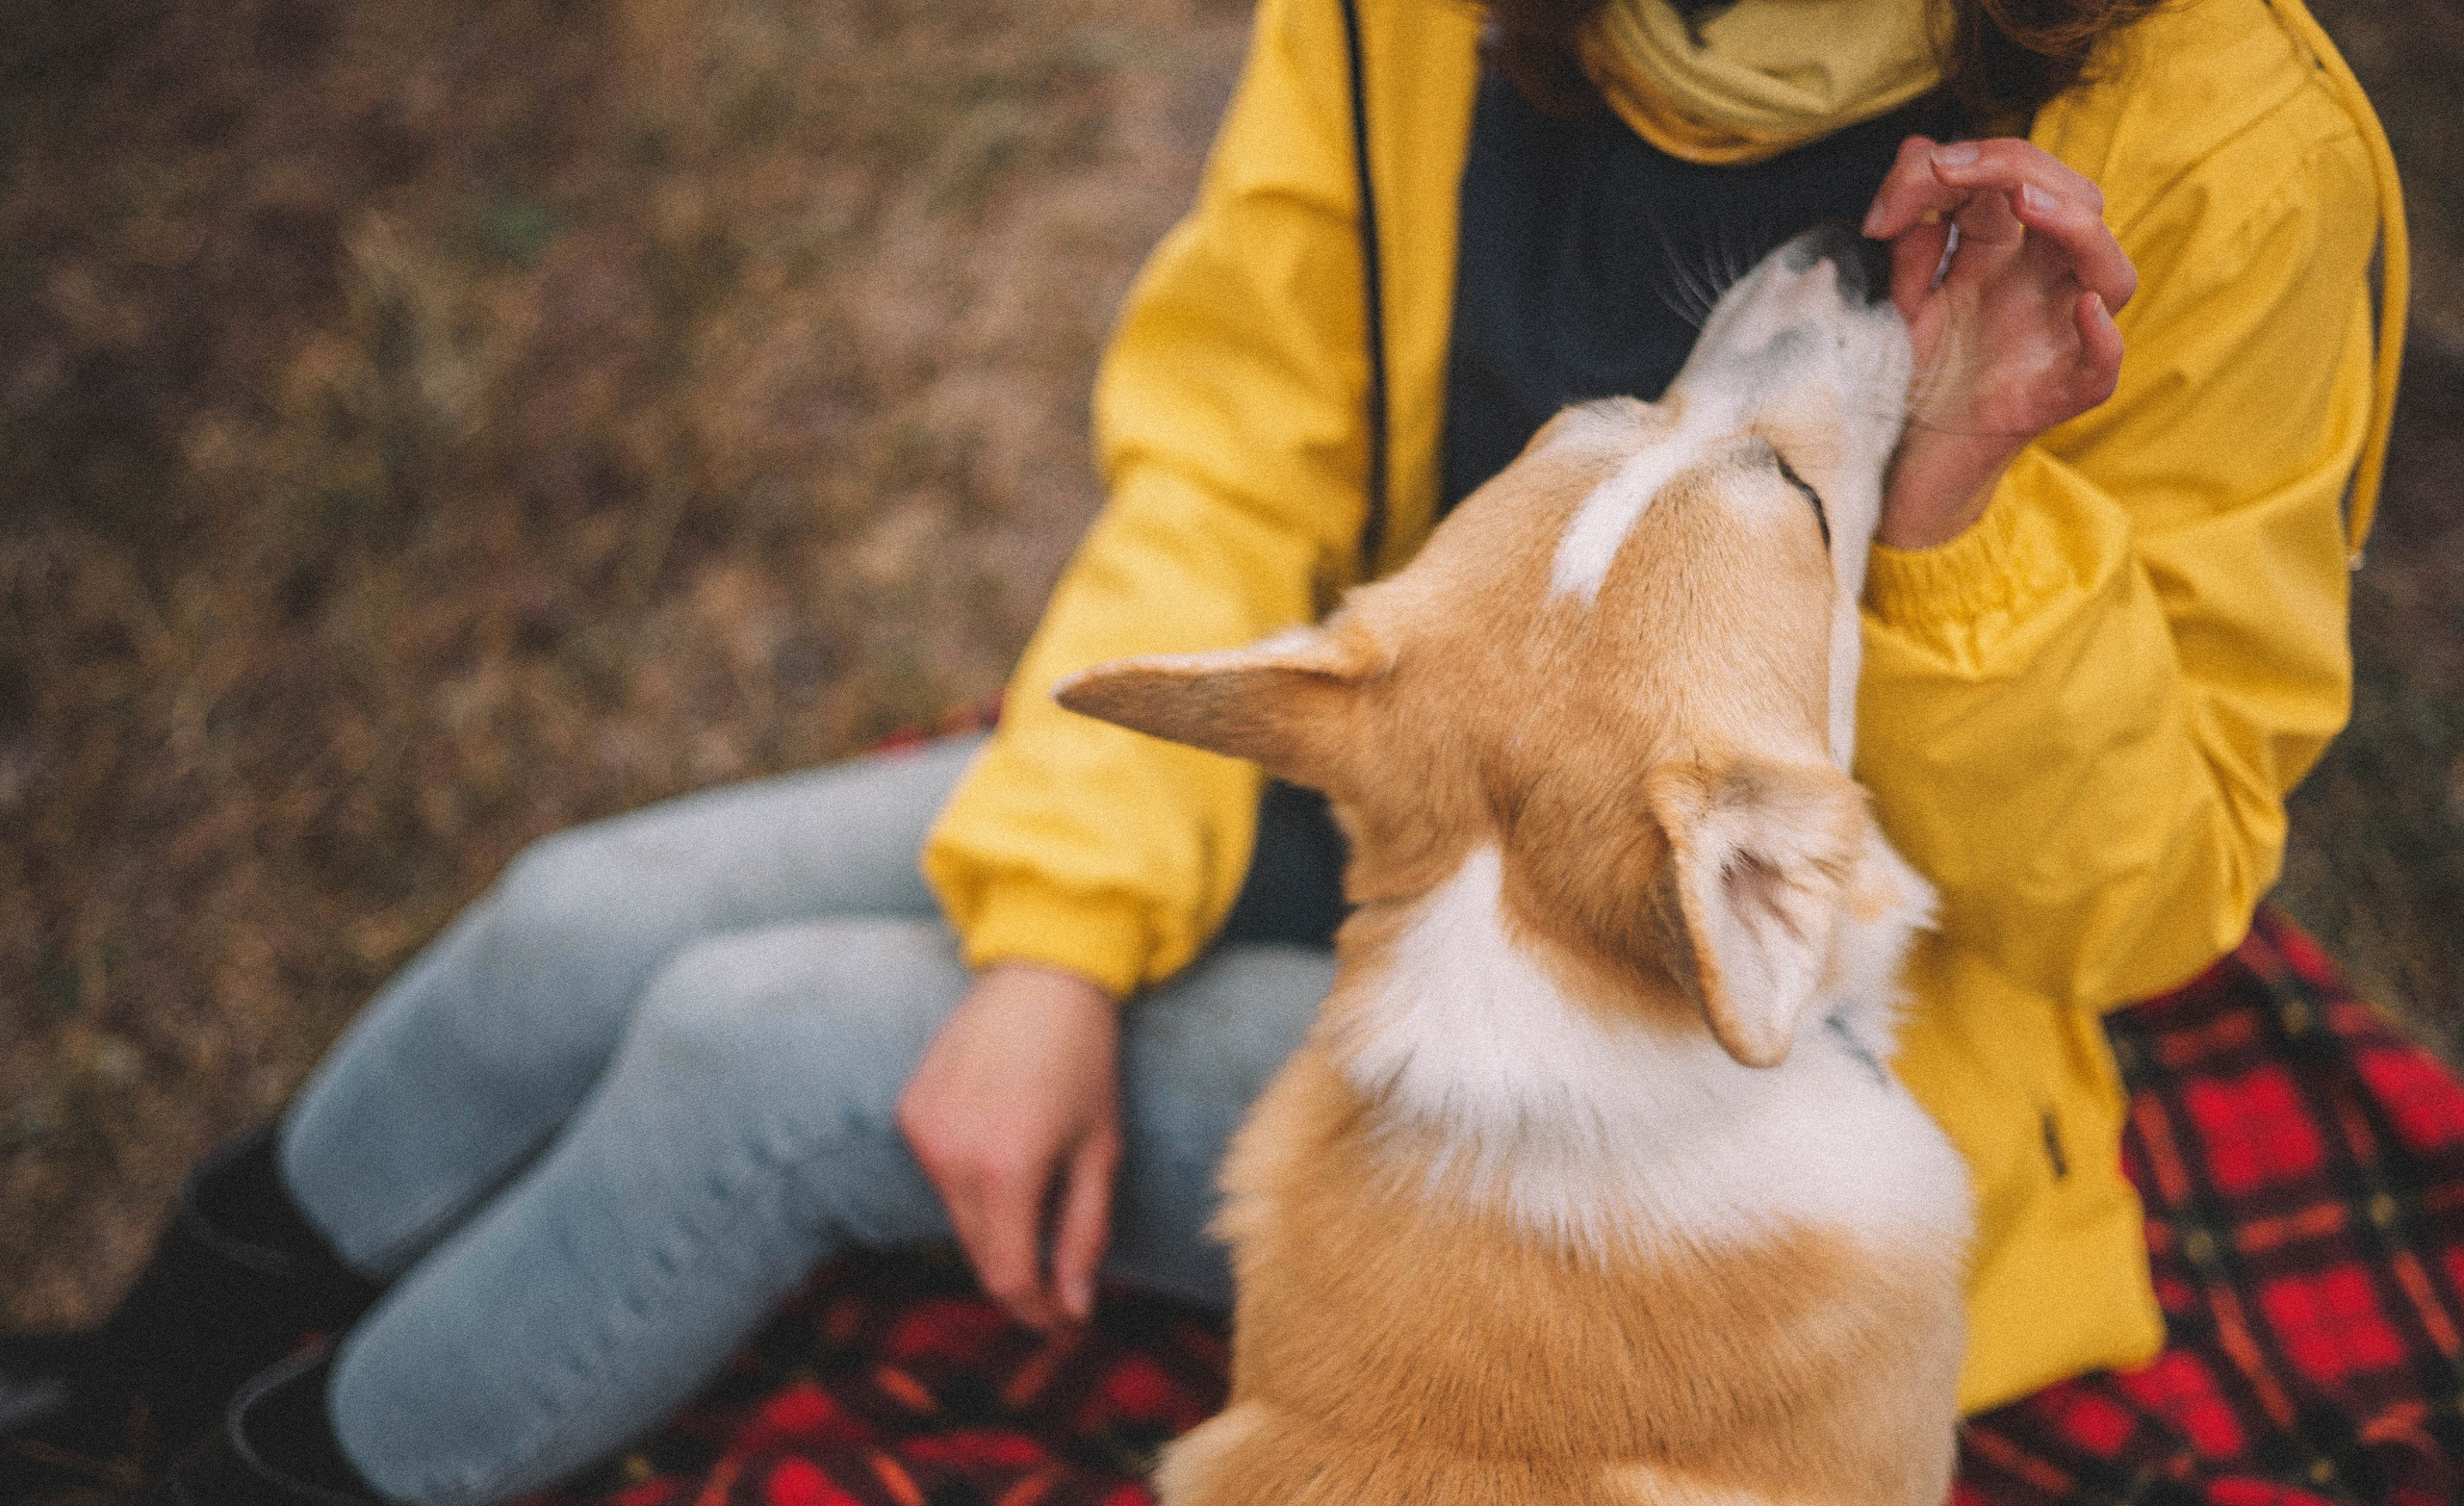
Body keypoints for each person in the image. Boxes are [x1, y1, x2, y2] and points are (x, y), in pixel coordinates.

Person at [0, 0, 2403, 1498]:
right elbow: (1244, 442)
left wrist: (1951, 528)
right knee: (575, 923)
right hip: (1413, 772)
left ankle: (255, 1475)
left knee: (762, 1057)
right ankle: (124, 1380)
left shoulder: (2227, 152)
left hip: (1723, 1062)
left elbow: (2146, 893)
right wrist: (1056, 929)